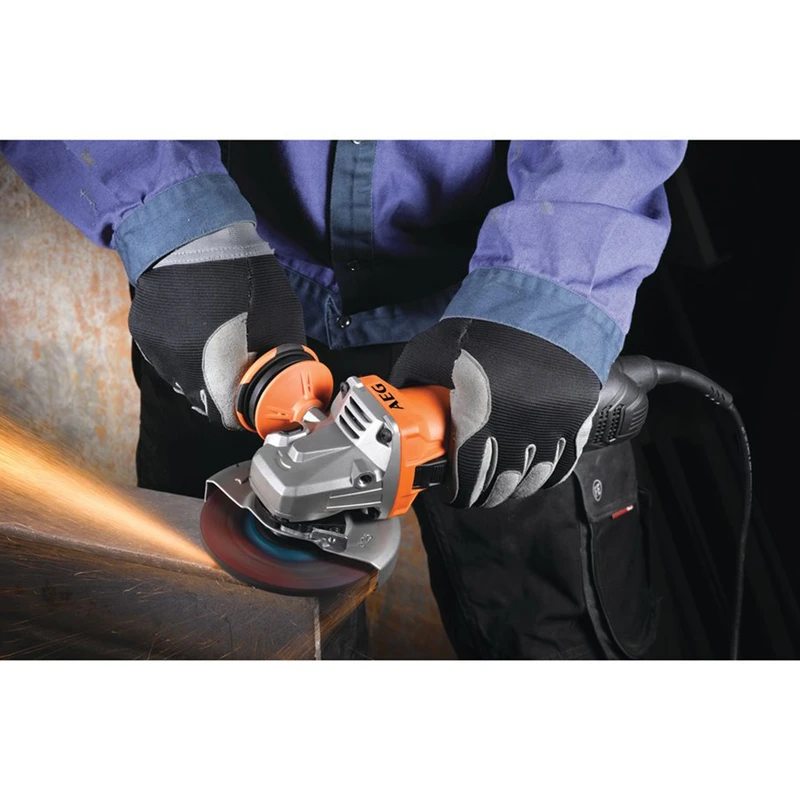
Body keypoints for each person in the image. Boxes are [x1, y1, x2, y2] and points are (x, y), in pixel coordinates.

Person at [0, 140, 686, 659]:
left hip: (511, 337)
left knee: (561, 651)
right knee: (221, 652)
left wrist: (553, 294)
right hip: (227, 306)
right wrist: (172, 225)